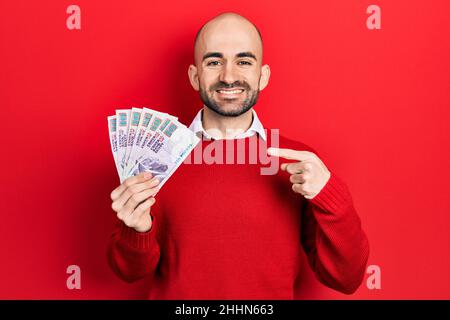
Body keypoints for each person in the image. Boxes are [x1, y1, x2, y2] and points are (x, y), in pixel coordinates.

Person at [107, 12, 369, 299]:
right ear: (195, 77)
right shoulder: (156, 157)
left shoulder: (297, 161)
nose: (228, 76)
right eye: (214, 62)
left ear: (263, 76)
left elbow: (347, 278)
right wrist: (138, 230)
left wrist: (330, 193)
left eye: (243, 62)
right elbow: (129, 273)